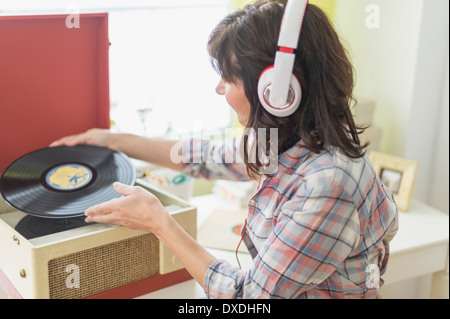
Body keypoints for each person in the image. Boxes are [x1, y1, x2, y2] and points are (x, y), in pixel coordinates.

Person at [51, 0, 399, 299]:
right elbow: (205, 158)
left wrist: (160, 222)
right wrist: (113, 139)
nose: (220, 89)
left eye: (229, 79)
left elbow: (248, 299)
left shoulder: (327, 186)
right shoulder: (289, 138)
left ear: (276, 92)